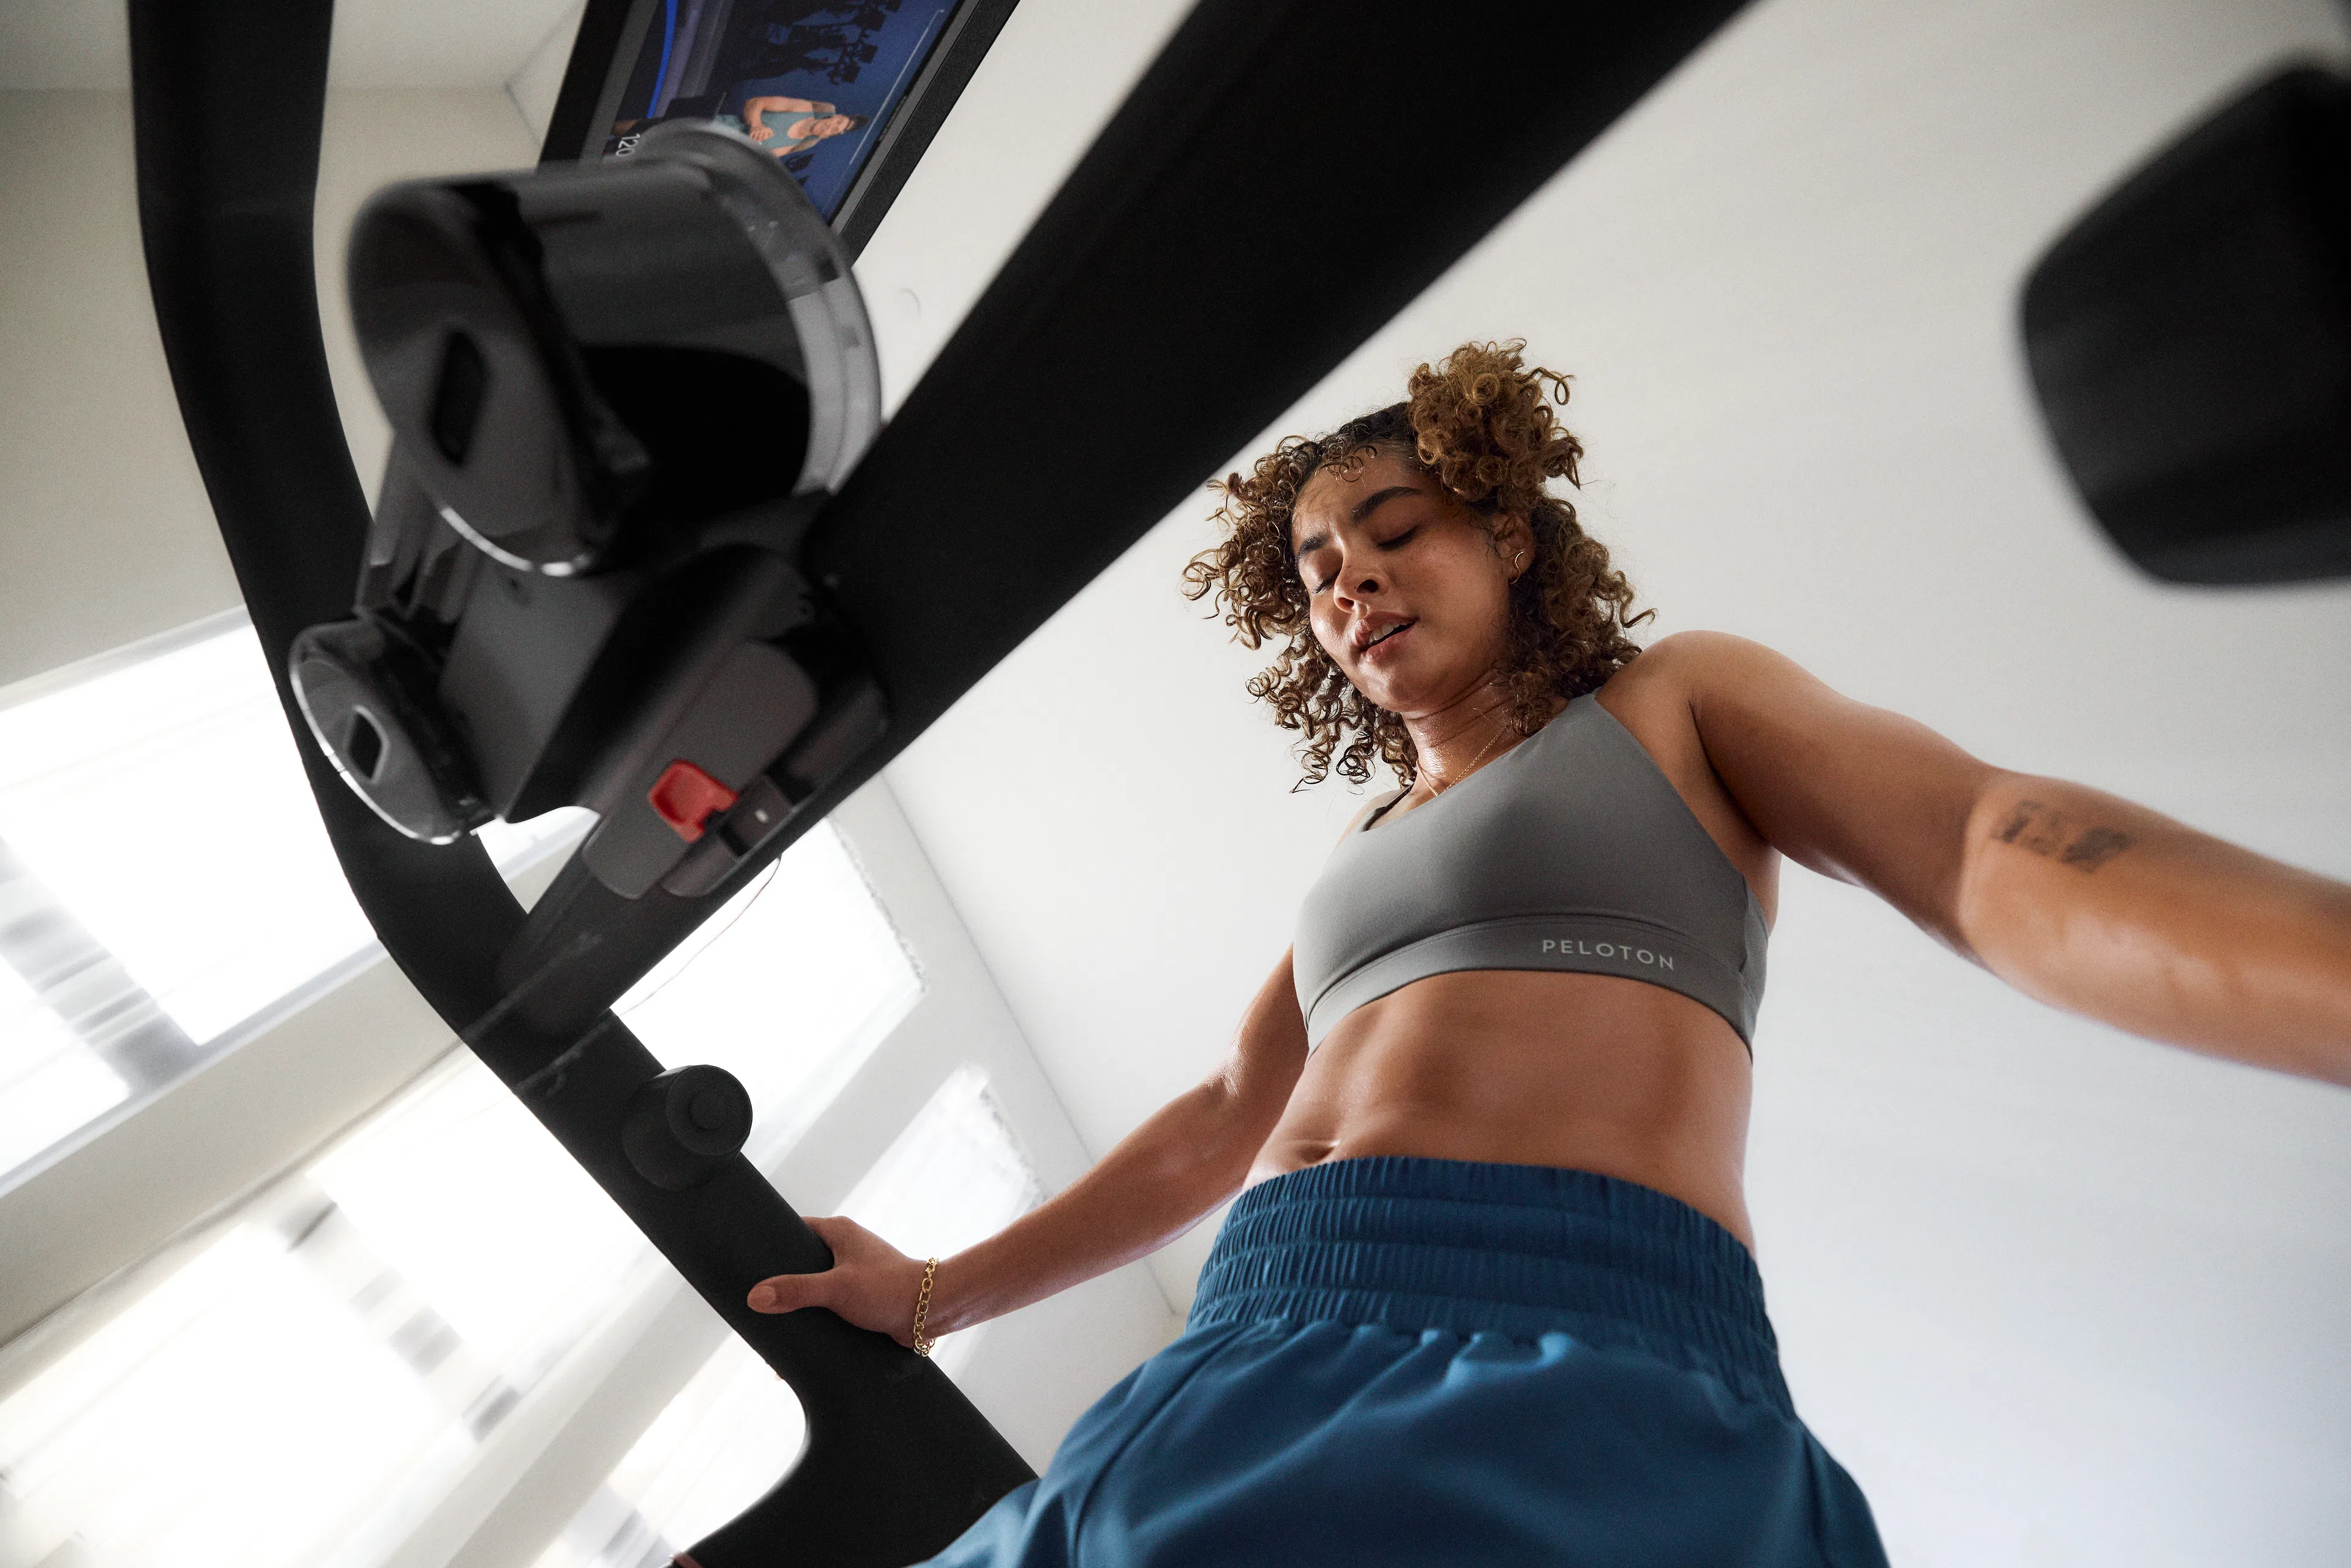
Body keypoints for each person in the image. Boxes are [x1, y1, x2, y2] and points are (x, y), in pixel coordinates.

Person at [746, 340, 2351, 1564]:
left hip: (1574, 1323)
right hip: (1244, 1338)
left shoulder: (1676, 703)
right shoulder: (1359, 857)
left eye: (1395, 530)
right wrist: (936, 1294)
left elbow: (1978, 846)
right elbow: (1229, 1116)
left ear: (1510, 536)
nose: (1354, 579)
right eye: (1318, 572)